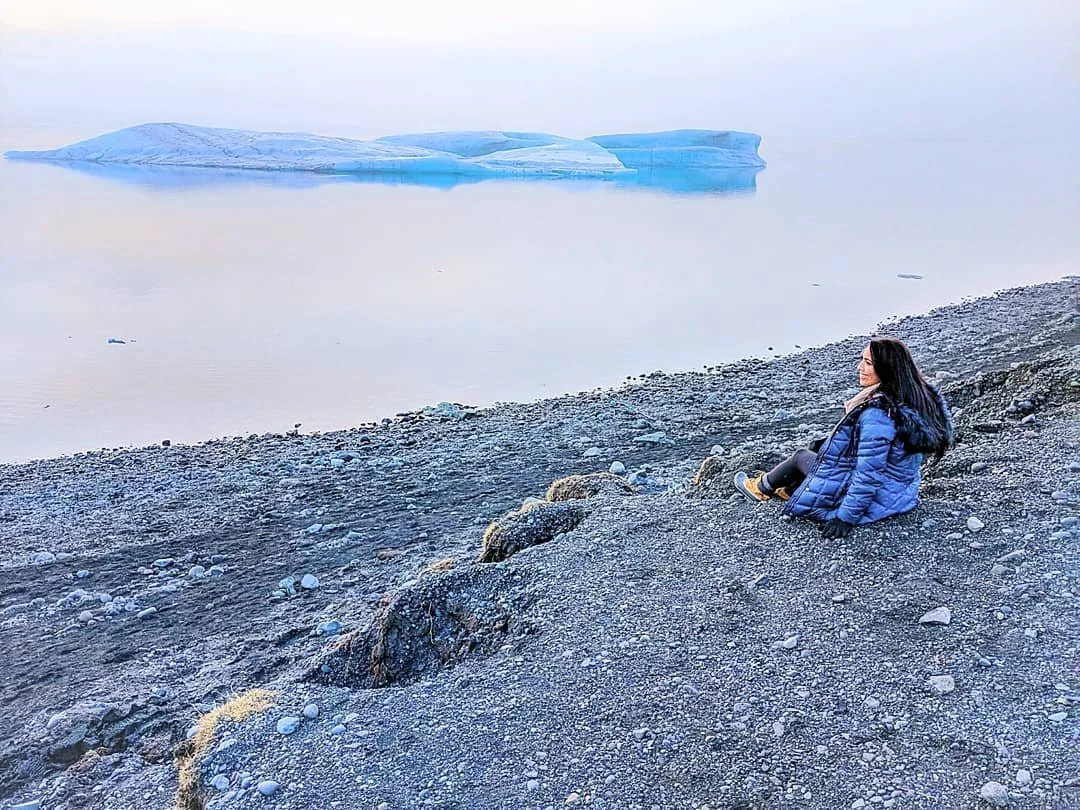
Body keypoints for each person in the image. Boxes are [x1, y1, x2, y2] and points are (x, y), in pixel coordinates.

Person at [733, 335, 953, 538]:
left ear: (887, 369)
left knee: (801, 456)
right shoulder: (919, 396)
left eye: (868, 363)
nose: (860, 367)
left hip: (878, 499)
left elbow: (869, 474)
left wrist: (845, 518)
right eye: (862, 360)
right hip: (900, 492)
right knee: (820, 446)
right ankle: (792, 489)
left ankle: (759, 488)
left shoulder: (879, 415)